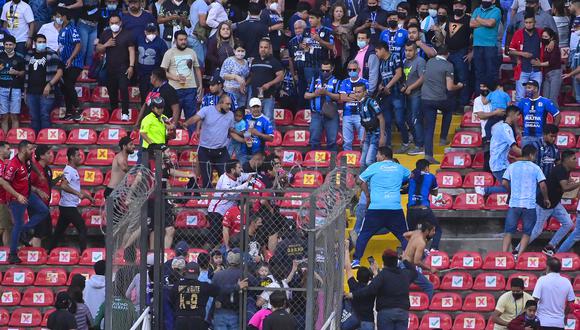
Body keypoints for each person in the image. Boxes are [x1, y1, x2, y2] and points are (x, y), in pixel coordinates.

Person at [352, 146, 410, 268]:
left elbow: (359, 180)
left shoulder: (374, 167)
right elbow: (411, 177)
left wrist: (367, 194)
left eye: (377, 154)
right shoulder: (399, 168)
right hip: (394, 208)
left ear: (383, 156)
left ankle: (356, 260)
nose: (376, 157)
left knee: (364, 235)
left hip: (376, 208)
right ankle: (407, 261)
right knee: (404, 236)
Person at [522, 150, 578, 256]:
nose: (576, 161)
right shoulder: (560, 170)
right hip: (545, 204)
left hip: (554, 203)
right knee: (536, 231)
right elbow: (565, 187)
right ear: (566, 160)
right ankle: (517, 251)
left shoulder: (566, 169)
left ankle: (549, 247)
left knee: (568, 223)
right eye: (574, 159)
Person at [346, 249, 417, 329]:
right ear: (396, 260)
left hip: (385, 313)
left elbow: (370, 289)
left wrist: (353, 294)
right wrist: (404, 260)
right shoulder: (405, 274)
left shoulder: (382, 275)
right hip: (402, 312)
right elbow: (414, 272)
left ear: (384, 262)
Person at [5, 140, 49, 264]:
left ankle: (23, 229)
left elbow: (32, 164)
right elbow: (6, 183)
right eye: (30, 149)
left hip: (28, 194)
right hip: (16, 198)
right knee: (17, 224)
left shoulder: (27, 159)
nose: (32, 151)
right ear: (23, 150)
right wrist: (17, 195)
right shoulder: (13, 165)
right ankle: (12, 254)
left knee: (43, 211)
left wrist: (39, 174)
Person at [502, 144, 549, 256]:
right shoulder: (535, 168)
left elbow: (504, 182)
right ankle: (518, 256)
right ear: (531, 155)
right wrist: (546, 198)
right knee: (527, 233)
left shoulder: (512, 166)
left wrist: (511, 191)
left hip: (514, 204)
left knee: (508, 232)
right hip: (529, 205)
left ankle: (503, 256)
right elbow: (542, 185)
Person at [181, 94, 236, 188]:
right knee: (207, 181)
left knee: (228, 178)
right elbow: (196, 118)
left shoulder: (230, 115)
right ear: (220, 103)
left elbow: (231, 131)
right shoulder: (207, 110)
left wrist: (243, 137)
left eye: (230, 104)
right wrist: (186, 123)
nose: (229, 107)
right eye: (227, 104)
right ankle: (208, 201)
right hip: (205, 150)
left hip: (221, 151)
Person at [421, 44, 463, 164]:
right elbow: (450, 87)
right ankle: (443, 138)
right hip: (439, 99)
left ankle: (428, 155)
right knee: (449, 109)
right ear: (447, 54)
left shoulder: (429, 62)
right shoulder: (448, 65)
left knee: (429, 128)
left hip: (425, 99)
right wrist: (459, 86)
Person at [49, 147, 95, 252]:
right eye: (78, 155)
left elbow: (74, 188)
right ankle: (83, 254)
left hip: (66, 206)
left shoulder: (72, 170)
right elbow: (63, 186)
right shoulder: (69, 171)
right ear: (71, 157)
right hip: (68, 207)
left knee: (58, 232)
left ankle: (49, 252)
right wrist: (78, 194)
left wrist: (89, 197)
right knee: (82, 228)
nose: (80, 157)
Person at [160, 30, 203, 134]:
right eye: (181, 40)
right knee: (174, 116)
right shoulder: (169, 53)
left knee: (191, 116)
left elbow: (197, 69)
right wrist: (176, 78)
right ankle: (172, 138)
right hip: (174, 90)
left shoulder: (192, 52)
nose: (183, 42)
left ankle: (191, 139)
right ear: (175, 41)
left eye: (185, 39)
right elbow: (163, 72)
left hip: (190, 88)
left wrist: (200, 85)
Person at [96, 13, 136, 122]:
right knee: (112, 91)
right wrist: (105, 45)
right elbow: (98, 48)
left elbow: (131, 50)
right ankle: (114, 111)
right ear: (109, 23)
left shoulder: (127, 34)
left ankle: (125, 113)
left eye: (116, 23)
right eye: (112, 23)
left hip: (123, 67)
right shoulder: (105, 33)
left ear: (120, 23)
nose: (114, 25)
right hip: (110, 68)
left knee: (123, 89)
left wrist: (131, 66)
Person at [476, 105, 522, 196]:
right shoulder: (506, 129)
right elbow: (514, 148)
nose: (519, 117)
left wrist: (508, 155)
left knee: (515, 187)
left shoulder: (502, 127)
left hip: (501, 163)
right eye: (517, 115)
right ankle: (485, 190)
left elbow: (499, 146)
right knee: (513, 189)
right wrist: (528, 156)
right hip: (499, 165)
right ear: (511, 114)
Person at [206, 161, 253, 248]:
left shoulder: (239, 175)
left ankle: (223, 252)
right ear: (232, 170)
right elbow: (230, 192)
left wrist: (253, 176)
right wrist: (246, 184)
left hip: (229, 212)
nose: (241, 169)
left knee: (229, 235)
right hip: (217, 211)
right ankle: (207, 254)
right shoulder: (224, 179)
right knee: (215, 237)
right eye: (239, 168)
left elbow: (249, 175)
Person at [24, 33, 63, 133]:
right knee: (33, 116)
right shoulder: (29, 54)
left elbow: (60, 72)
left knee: (44, 115)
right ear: (34, 43)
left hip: (46, 91)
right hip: (31, 91)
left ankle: (44, 140)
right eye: (39, 42)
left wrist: (50, 85)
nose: (42, 44)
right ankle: (34, 141)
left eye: (44, 42)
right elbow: (26, 74)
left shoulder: (51, 54)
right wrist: (25, 91)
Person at [375, 41, 406, 152]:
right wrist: (381, 86)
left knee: (399, 120)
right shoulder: (382, 63)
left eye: (377, 51)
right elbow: (383, 79)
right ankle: (388, 145)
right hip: (386, 96)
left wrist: (387, 86)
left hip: (397, 94)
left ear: (383, 49)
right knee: (387, 121)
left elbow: (399, 74)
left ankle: (406, 143)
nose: (376, 54)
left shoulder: (395, 57)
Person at [170, 262, 220, 330]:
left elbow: (171, 300)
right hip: (197, 320)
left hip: (180, 319)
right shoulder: (204, 286)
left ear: (185, 272)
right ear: (198, 273)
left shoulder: (176, 286)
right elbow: (219, 291)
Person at [304, 60, 340, 151]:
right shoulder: (314, 80)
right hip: (316, 114)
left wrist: (327, 93)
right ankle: (314, 164)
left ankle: (332, 164)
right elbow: (306, 95)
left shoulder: (337, 81)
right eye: (322, 70)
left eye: (327, 71)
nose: (324, 72)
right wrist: (315, 94)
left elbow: (340, 97)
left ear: (332, 69)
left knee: (332, 141)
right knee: (314, 141)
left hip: (331, 114)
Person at [248, 38, 284, 128]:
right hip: (254, 96)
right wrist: (244, 84)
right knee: (253, 118)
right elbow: (251, 76)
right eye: (261, 47)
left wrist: (269, 84)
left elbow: (280, 76)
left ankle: (271, 140)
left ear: (269, 48)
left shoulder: (274, 62)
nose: (263, 49)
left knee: (268, 118)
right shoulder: (254, 61)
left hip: (268, 96)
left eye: (265, 47)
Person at [407, 159, 441, 250]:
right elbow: (435, 193)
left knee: (412, 233)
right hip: (424, 209)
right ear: (426, 168)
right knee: (437, 230)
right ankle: (433, 250)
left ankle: (411, 253)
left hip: (411, 210)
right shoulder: (431, 176)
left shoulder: (410, 176)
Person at [509, 12, 543, 101]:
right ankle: (520, 115)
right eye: (526, 22)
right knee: (520, 97)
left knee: (536, 96)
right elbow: (511, 51)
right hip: (522, 69)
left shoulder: (540, 32)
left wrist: (552, 42)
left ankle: (535, 114)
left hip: (537, 70)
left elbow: (551, 38)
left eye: (530, 22)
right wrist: (522, 54)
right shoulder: (518, 33)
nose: (528, 24)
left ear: (535, 22)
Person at [211, 250, 250, 329]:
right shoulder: (243, 274)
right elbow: (257, 285)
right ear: (240, 263)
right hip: (236, 310)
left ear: (227, 262)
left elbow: (213, 291)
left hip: (219, 309)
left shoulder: (217, 275)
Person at [532, 258, 575, 329]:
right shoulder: (566, 281)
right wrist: (565, 314)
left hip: (542, 322)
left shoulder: (542, 280)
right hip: (559, 323)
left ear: (548, 267)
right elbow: (571, 302)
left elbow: (535, 300)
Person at [445, 0, 472, 112]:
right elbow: (446, 34)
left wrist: (472, 52)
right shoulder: (449, 18)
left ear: (464, 8)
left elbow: (476, 36)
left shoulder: (469, 20)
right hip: (449, 52)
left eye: (460, 6)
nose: (457, 7)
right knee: (449, 78)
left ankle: (462, 105)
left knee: (463, 78)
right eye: (455, 5)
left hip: (462, 52)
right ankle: (450, 104)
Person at [470, 0, 502, 95]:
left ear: (493, 1)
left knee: (491, 73)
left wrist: (479, 20)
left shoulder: (496, 10)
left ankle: (491, 96)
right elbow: (471, 24)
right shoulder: (477, 10)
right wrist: (485, 22)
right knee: (479, 73)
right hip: (477, 45)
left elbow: (491, 23)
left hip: (490, 46)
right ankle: (479, 97)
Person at [56, 8, 82, 121]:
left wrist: (71, 58)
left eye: (58, 16)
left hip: (74, 63)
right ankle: (68, 112)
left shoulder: (72, 29)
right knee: (65, 88)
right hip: (64, 63)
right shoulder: (62, 30)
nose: (57, 18)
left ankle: (77, 107)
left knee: (68, 84)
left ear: (65, 16)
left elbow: (78, 45)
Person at [517, 80, 560, 147]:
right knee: (526, 157)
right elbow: (513, 115)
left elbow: (557, 115)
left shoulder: (545, 101)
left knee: (539, 156)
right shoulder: (523, 102)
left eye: (529, 87)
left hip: (540, 136)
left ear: (536, 89)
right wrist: (517, 128)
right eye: (526, 88)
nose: (526, 90)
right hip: (526, 136)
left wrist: (552, 130)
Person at [401, 221, 438, 299]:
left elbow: (405, 234)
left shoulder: (416, 232)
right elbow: (416, 261)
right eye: (433, 231)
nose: (434, 233)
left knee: (402, 288)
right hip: (408, 267)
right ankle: (427, 306)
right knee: (429, 286)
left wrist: (411, 244)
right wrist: (430, 268)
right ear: (427, 231)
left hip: (403, 264)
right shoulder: (421, 242)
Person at [344, 241, 376, 329]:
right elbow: (377, 280)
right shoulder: (371, 288)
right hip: (368, 322)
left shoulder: (353, 285)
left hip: (353, 320)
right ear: (369, 278)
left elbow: (348, 268)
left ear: (357, 277)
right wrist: (375, 271)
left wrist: (346, 250)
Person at [402, 41, 425, 155]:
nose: (408, 53)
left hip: (417, 95)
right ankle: (416, 142)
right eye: (406, 50)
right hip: (407, 95)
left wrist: (410, 87)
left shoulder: (420, 61)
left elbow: (422, 78)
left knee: (416, 120)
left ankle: (420, 146)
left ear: (416, 51)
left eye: (410, 50)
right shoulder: (405, 62)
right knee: (409, 119)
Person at [356, 82, 386, 169]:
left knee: (369, 161)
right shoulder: (359, 104)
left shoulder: (371, 102)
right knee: (362, 163)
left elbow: (381, 118)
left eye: (359, 92)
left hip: (376, 134)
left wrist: (382, 136)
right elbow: (365, 122)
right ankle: (364, 182)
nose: (357, 94)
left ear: (365, 92)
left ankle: (375, 180)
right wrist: (363, 137)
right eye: (356, 92)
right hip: (368, 134)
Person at [339, 60, 367, 152]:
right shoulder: (344, 82)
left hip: (361, 115)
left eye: (354, 69)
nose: (351, 72)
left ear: (359, 70)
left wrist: (348, 95)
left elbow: (365, 97)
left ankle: (362, 161)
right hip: (347, 115)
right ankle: (348, 162)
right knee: (347, 142)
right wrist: (357, 95)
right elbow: (342, 98)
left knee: (363, 141)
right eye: (349, 70)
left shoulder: (365, 82)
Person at [136, 23, 168, 104]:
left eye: (153, 31)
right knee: (143, 95)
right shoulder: (139, 39)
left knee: (153, 98)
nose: (151, 34)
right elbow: (136, 52)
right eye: (149, 31)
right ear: (145, 32)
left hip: (155, 75)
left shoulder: (161, 43)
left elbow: (166, 59)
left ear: (156, 32)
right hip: (142, 74)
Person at [29, 145, 54, 248]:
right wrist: (38, 191)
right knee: (39, 232)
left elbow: (47, 185)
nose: (51, 155)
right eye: (48, 153)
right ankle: (35, 257)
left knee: (47, 230)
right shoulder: (35, 169)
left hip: (45, 206)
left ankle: (29, 245)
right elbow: (26, 185)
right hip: (35, 206)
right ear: (42, 156)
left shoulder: (48, 169)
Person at [0, 34, 25, 132]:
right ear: (3, 45)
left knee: (14, 116)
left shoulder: (20, 57)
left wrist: (17, 72)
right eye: (6, 44)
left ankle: (14, 140)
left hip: (15, 89)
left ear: (14, 45)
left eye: (10, 45)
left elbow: (24, 73)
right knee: (4, 116)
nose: (8, 46)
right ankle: (5, 142)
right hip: (1, 89)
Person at [239, 98, 274, 165]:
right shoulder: (246, 117)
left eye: (257, 107)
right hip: (243, 153)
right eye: (253, 107)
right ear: (250, 108)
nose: (255, 109)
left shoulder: (266, 120)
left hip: (257, 156)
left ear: (261, 107)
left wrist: (258, 134)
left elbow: (271, 138)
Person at [535, 28, 562, 105]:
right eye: (543, 36)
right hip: (546, 74)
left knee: (553, 99)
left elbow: (552, 62)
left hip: (555, 73)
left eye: (546, 37)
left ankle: (555, 116)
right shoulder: (543, 46)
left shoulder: (554, 47)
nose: (544, 38)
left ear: (551, 38)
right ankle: (546, 116)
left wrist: (540, 64)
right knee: (545, 98)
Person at [220, 42, 250, 107]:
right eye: (238, 51)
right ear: (234, 51)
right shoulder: (229, 60)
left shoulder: (245, 62)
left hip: (242, 92)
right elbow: (222, 74)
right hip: (231, 91)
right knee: (230, 110)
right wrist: (235, 77)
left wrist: (244, 85)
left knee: (240, 112)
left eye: (242, 51)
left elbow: (247, 76)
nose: (240, 53)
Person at [353, 30, 379, 95]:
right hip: (357, 89)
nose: (360, 40)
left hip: (366, 90)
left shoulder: (371, 53)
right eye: (358, 38)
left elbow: (373, 73)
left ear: (368, 40)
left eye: (362, 38)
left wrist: (370, 91)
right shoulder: (358, 52)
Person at [0, 142, 15, 247]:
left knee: (5, 227)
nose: (10, 151)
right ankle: (7, 252)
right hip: (1, 200)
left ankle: (6, 251)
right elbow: (1, 181)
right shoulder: (0, 164)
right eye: (8, 149)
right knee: (6, 227)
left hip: (3, 199)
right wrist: (16, 193)